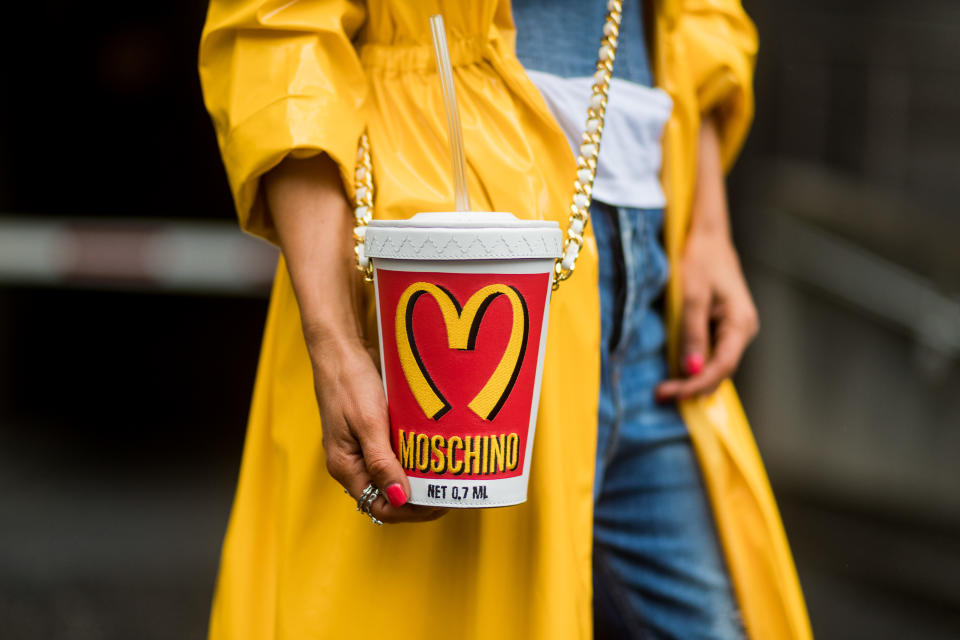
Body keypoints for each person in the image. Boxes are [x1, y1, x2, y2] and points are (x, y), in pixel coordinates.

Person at [199, 1, 812, 638]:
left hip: (650, 283)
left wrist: (708, 227)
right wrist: (333, 335)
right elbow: (281, 31)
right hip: (434, 283)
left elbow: (701, 21)